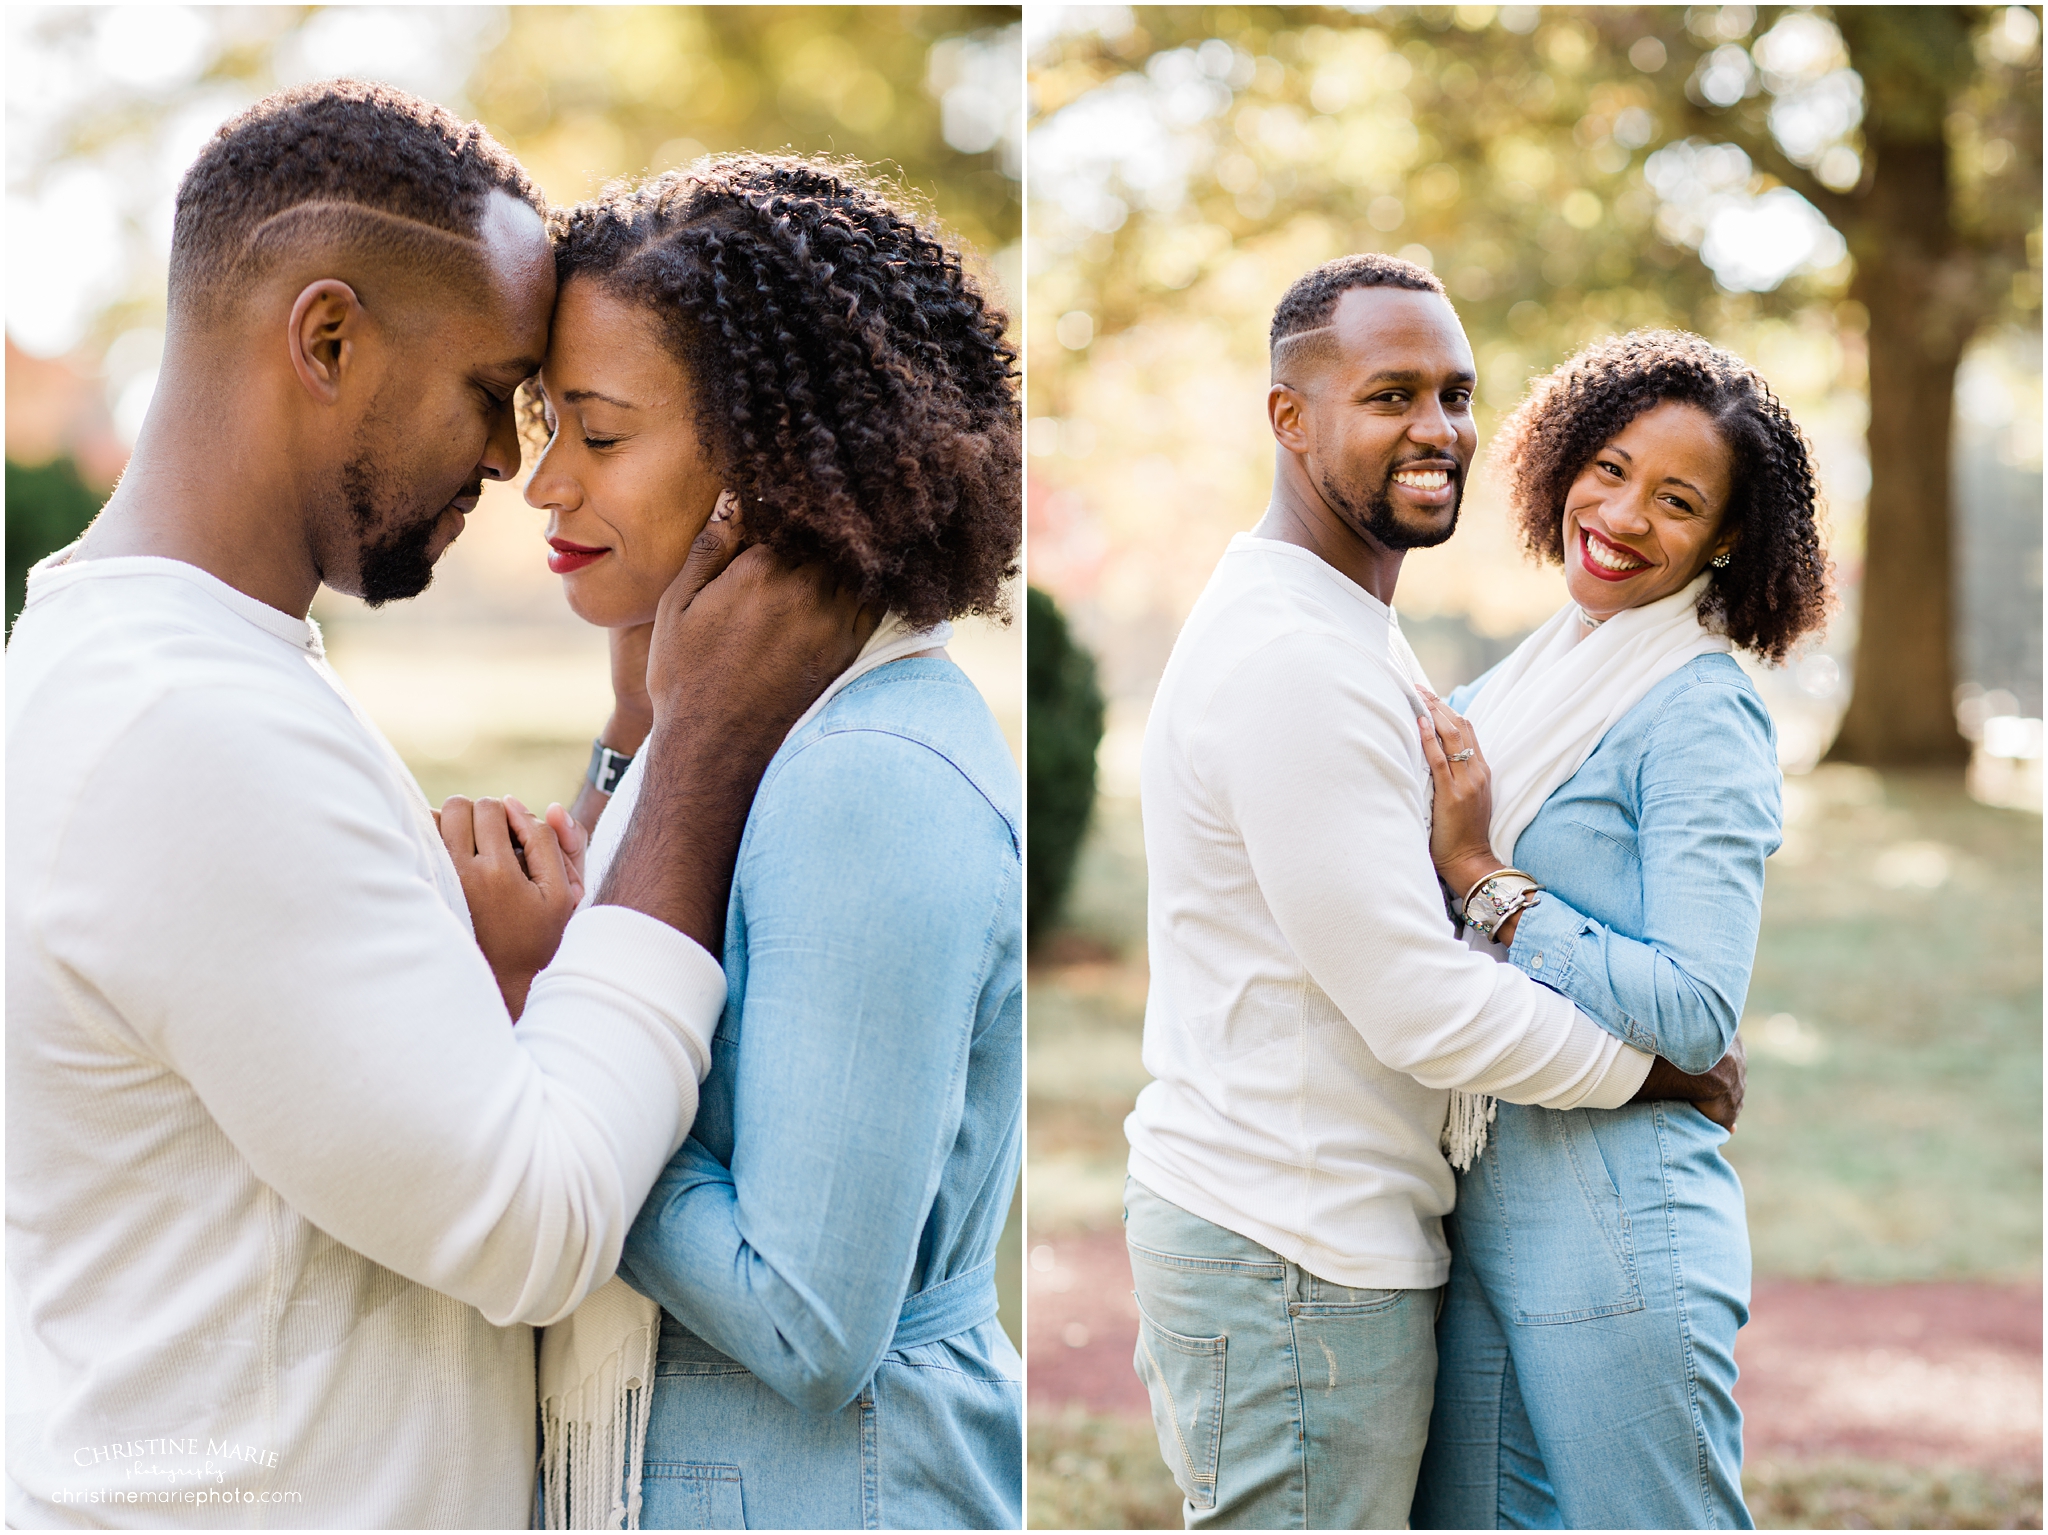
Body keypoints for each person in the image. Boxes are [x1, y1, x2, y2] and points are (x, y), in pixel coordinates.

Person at [5, 84, 867, 1530]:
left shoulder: (167, 659)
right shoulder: (189, 726)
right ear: (326, 337)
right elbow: (533, 1226)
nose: (508, 464)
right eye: (491, 391)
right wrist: (700, 743)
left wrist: (548, 895)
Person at [1121, 254, 1744, 1529]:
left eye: (1455, 393)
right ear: (1289, 416)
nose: (1436, 429)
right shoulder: (1298, 655)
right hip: (1289, 1240)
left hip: (1346, 1228)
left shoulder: (1355, 632)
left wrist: (1489, 881)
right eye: (1390, 392)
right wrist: (1658, 1072)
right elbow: (1417, 1002)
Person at [523, 157, 1023, 1530]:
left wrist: (543, 1052)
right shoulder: (738, 721)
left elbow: (804, 1316)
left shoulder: (870, 777)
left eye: (601, 434)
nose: (543, 480)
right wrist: (644, 724)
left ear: (769, 467)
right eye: (542, 420)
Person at [1409, 332, 1831, 1531]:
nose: (1623, 513)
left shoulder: (1699, 710)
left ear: (1724, 540)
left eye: (1676, 499)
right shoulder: (1514, 687)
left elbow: (1696, 1010)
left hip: (1616, 1223)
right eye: (1607, 467)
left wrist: (1487, 878)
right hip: (1473, 1200)